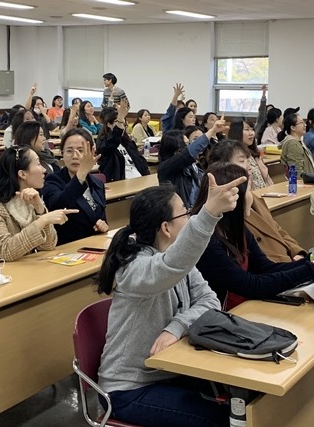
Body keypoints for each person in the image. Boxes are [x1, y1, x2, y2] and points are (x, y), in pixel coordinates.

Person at [96, 172, 247, 427]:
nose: (189, 217)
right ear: (166, 227)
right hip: (128, 390)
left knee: (244, 397)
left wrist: (176, 326)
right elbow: (169, 266)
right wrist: (208, 213)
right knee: (224, 420)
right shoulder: (135, 268)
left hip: (169, 373)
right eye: (185, 214)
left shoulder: (179, 263)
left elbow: (209, 301)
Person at [195, 162, 314, 310]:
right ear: (233, 197)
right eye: (249, 191)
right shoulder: (208, 242)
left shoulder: (239, 230)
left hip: (246, 309)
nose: (253, 197)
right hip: (225, 316)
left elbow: (266, 268)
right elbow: (252, 285)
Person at [0, 146, 77, 268]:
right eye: (38, 164)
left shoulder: (32, 197)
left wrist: (40, 209)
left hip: (22, 268)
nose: (43, 170)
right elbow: (6, 251)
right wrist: (43, 220)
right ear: (23, 174)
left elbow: (49, 245)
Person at [208, 140, 308, 263]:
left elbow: (278, 230)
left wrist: (296, 252)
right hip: (272, 267)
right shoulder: (227, 208)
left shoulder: (255, 199)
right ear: (224, 167)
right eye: (242, 161)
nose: (249, 166)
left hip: (287, 261)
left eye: (248, 160)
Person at [42, 129, 108, 245]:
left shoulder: (97, 183)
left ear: (92, 153)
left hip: (95, 244)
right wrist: (80, 174)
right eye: (69, 151)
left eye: (81, 151)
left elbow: (101, 218)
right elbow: (59, 205)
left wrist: (103, 225)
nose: (75, 156)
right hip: (68, 248)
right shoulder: (53, 180)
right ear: (62, 153)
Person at [157, 116, 228, 208]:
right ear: (175, 149)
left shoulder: (193, 165)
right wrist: (212, 131)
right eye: (185, 145)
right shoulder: (166, 167)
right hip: (183, 212)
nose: (189, 146)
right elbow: (188, 153)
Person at [96, 101, 149, 182]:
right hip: (121, 182)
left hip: (139, 178)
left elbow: (141, 162)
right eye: (119, 123)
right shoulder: (104, 143)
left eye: (124, 124)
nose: (122, 127)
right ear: (109, 125)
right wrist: (120, 119)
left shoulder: (127, 142)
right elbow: (113, 141)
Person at [228, 117, 273, 190]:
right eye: (247, 129)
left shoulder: (253, 153)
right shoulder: (234, 155)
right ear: (236, 132)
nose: (251, 133)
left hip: (263, 192)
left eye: (252, 129)